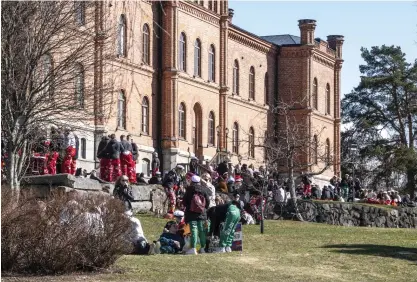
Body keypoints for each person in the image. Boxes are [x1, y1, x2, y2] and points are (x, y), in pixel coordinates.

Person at [182, 175, 210, 255]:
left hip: (191, 213)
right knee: (202, 230)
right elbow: (207, 202)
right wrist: (204, 209)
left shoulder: (189, 189)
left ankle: (193, 248)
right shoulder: (204, 189)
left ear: (192, 181)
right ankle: (202, 248)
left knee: (193, 229)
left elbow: (184, 202)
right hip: (202, 213)